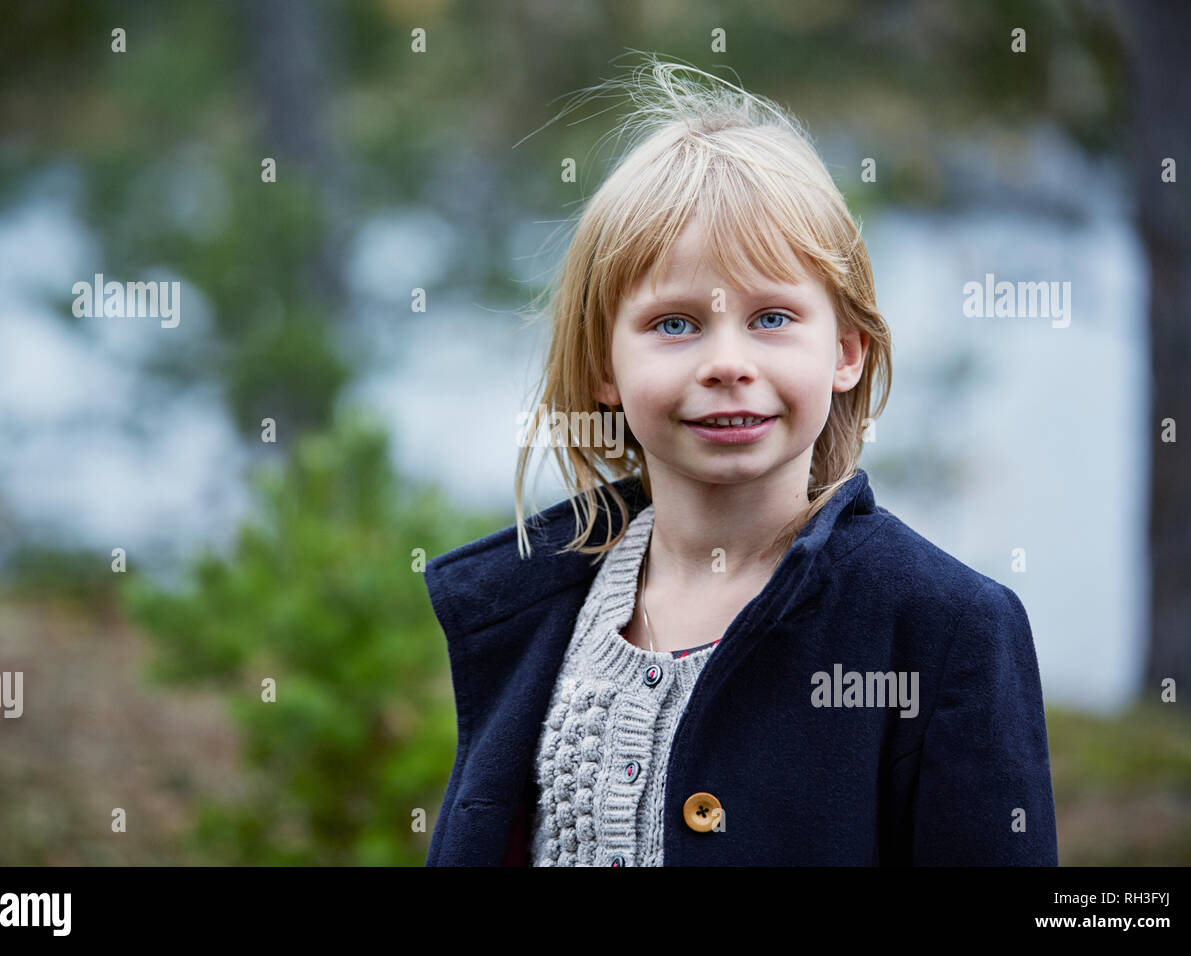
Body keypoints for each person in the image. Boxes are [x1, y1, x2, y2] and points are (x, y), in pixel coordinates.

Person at [422, 56, 1058, 866]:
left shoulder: (942, 629)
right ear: (604, 370)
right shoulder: (538, 609)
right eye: (677, 324)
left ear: (847, 350)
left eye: (772, 317)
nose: (727, 362)